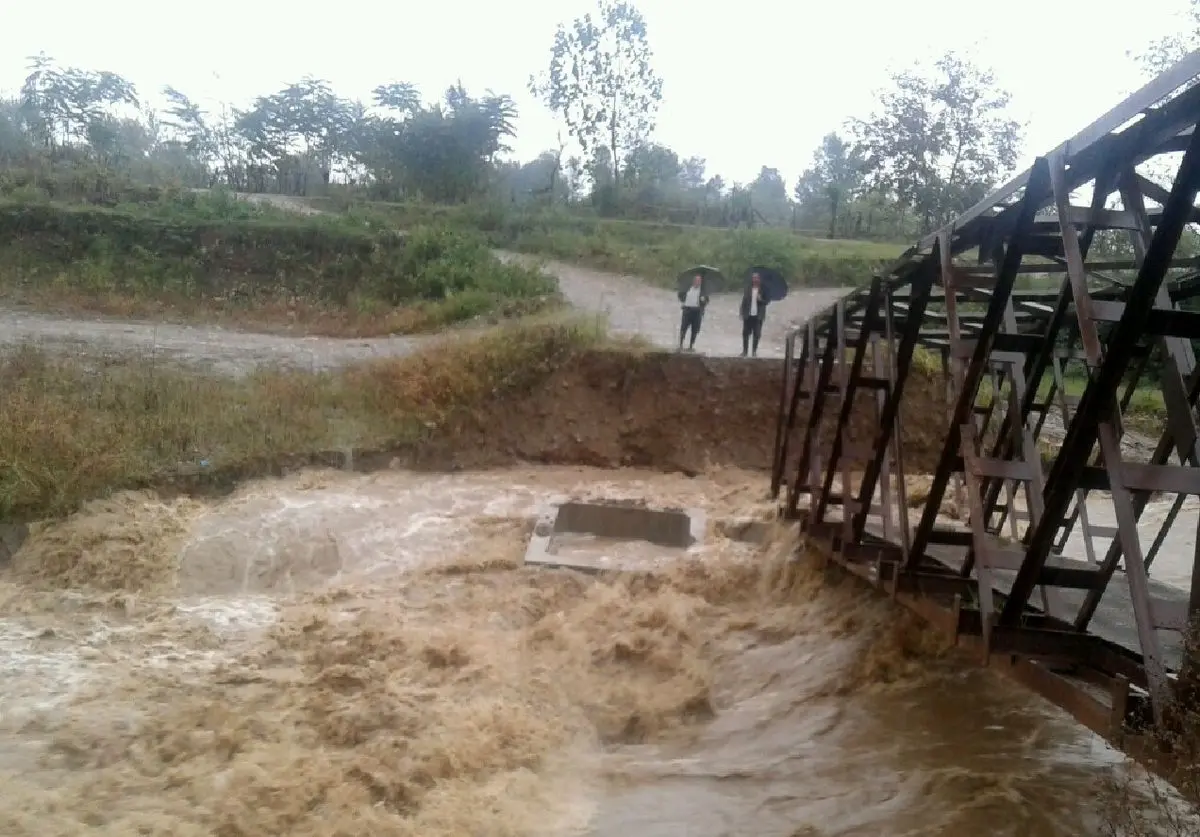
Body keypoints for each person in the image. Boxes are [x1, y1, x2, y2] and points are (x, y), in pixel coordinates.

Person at [740, 272, 769, 357]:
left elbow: (766, 302)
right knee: (745, 333)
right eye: (754, 278)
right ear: (752, 279)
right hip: (748, 315)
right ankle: (745, 351)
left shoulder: (763, 289)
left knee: (757, 334)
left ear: (759, 279)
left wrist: (761, 299)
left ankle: (754, 352)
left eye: (757, 278)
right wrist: (742, 312)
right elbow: (744, 301)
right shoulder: (748, 288)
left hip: (758, 316)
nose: (755, 279)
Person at [677, 273, 708, 351]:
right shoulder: (688, 288)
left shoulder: (703, 291)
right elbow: (680, 295)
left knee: (695, 330)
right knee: (683, 328)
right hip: (687, 310)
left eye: (699, 281)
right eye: (696, 280)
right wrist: (683, 301)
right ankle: (680, 345)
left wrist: (704, 301)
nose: (698, 282)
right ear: (693, 281)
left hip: (697, 311)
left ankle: (691, 346)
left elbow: (706, 301)